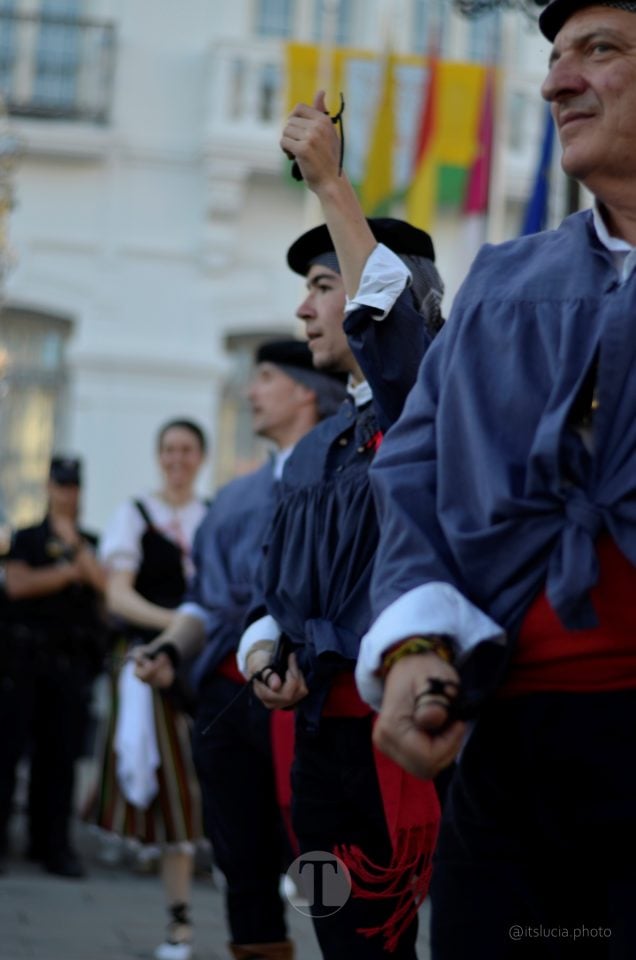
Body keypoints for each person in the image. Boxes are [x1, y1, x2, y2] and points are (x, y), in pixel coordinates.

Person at [355, 2, 636, 957]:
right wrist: (414, 644)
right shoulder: (507, 279)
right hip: (507, 754)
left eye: (600, 52)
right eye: (555, 58)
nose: (558, 81)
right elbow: (417, 474)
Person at [239, 91, 445, 959]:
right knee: (336, 933)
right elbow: (270, 592)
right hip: (316, 746)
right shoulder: (315, 450)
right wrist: (262, 655)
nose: (305, 309)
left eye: (323, 285)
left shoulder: (426, 400)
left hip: (393, 740)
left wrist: (331, 185)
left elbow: (395, 331)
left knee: (387, 940)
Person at [135, 338, 347, 960]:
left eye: (263, 378)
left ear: (306, 390)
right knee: (240, 859)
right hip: (228, 703)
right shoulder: (232, 498)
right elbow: (202, 602)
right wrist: (169, 649)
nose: (250, 392)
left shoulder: (347, 480)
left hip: (311, 698)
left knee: (325, 860)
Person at [93, 419, 208, 960]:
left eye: (186, 449)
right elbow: (118, 596)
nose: (177, 459)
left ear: (201, 457)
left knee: (216, 789)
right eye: (169, 449)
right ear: (158, 456)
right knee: (177, 796)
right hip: (152, 668)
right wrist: (180, 623)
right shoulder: (135, 514)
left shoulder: (212, 515)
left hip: (208, 669)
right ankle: (179, 925)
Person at [0, 456, 106, 877]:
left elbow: (105, 587)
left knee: (60, 759)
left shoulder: (91, 541)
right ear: (49, 488)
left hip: (71, 666)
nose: (67, 494)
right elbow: (17, 585)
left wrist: (76, 550)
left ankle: (52, 845)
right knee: (7, 755)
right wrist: (67, 572)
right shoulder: (26, 537)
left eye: (73, 487)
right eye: (61, 486)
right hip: (22, 663)